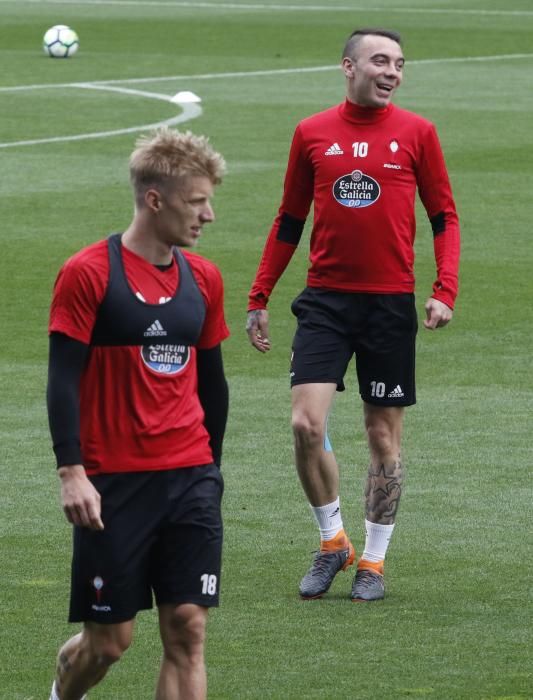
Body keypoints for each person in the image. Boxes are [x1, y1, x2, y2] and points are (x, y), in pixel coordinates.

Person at [246, 28, 460, 602]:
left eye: (399, 64)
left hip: (389, 304)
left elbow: (444, 215)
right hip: (325, 301)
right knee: (305, 424)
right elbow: (289, 218)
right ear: (349, 66)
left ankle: (374, 559)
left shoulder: (418, 133)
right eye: (380, 61)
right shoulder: (312, 132)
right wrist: (259, 296)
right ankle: (331, 540)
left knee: (382, 438)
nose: (392, 71)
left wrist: (445, 288)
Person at [46, 126, 229, 699]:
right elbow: (62, 381)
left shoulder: (204, 278)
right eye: (197, 201)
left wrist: (211, 473)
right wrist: (72, 473)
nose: (209, 215)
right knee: (108, 644)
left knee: (188, 629)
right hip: (113, 484)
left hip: (190, 476)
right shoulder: (89, 273)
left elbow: (213, 386)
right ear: (156, 199)